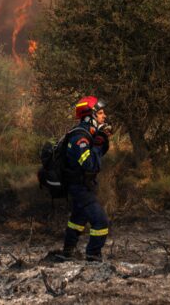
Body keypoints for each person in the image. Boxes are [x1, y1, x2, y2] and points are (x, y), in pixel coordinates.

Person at [60, 96, 112, 261]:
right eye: (101, 113)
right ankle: (93, 255)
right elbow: (90, 165)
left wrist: (102, 140)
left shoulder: (89, 134)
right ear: (90, 116)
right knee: (100, 221)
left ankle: (68, 251)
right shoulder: (80, 138)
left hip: (83, 185)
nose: (104, 116)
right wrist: (97, 144)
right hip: (79, 187)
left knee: (78, 218)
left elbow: (96, 157)